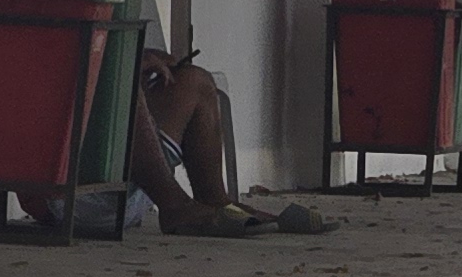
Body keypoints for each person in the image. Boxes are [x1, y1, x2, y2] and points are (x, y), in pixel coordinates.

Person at [128, 35, 330, 236]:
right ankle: (175, 206)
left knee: (196, 80)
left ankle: (216, 203)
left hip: (137, 182)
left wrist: (146, 57)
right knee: (124, 83)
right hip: (101, 193)